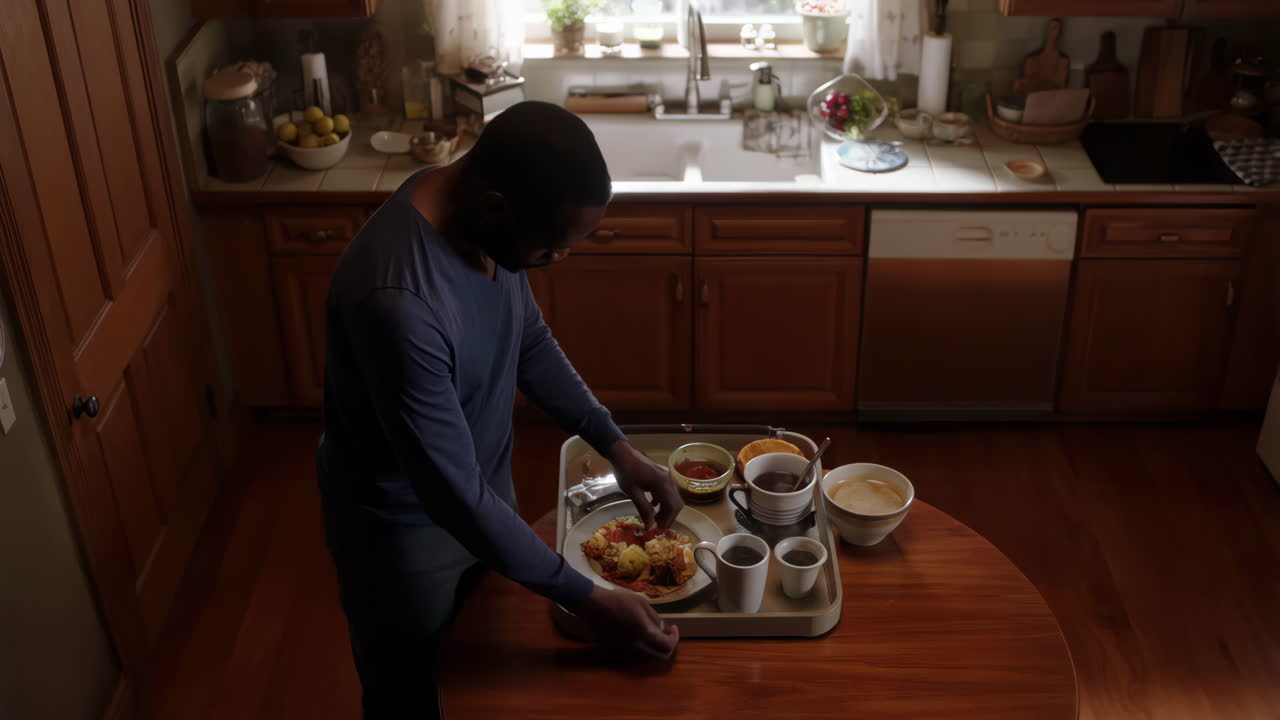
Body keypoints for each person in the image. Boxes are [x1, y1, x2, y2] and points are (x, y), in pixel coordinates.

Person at [317, 101, 683, 719]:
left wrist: (614, 445)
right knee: (413, 694)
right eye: (550, 246)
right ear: (495, 206)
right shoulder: (397, 301)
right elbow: (452, 495)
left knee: (487, 680)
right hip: (404, 537)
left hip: (484, 496)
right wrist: (587, 598)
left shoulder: (475, 213)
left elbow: (527, 340)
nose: (559, 258)